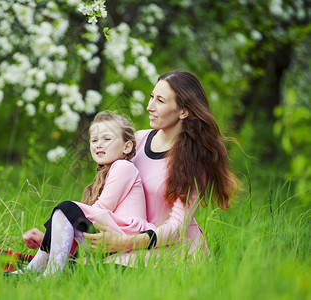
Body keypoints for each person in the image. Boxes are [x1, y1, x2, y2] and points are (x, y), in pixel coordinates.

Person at [24, 70, 238, 267]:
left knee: (100, 270)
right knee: (85, 266)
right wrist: (57, 237)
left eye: (160, 100)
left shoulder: (194, 160)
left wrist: (123, 242)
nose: (150, 106)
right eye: (152, 96)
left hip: (171, 250)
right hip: (126, 240)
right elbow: (109, 203)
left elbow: (177, 228)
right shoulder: (138, 140)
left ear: (183, 111)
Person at [15, 111, 152, 276]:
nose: (99, 144)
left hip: (124, 236)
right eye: (94, 140)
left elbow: (101, 210)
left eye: (107, 139)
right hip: (110, 235)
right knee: (65, 213)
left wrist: (63, 220)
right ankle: (34, 269)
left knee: (66, 209)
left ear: (127, 146)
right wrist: (52, 235)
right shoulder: (105, 175)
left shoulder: (124, 167)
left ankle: (48, 274)